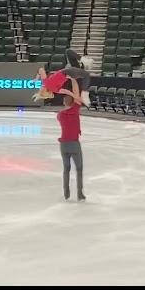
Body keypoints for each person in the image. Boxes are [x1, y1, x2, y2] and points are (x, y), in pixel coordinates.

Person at [57, 74, 86, 202]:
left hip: (63, 145)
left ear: (64, 102)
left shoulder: (60, 115)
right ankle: (79, 194)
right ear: (73, 102)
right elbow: (77, 95)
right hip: (74, 144)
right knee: (79, 169)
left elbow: (75, 98)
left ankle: (66, 193)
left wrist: (70, 93)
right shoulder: (75, 110)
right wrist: (73, 80)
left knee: (66, 169)